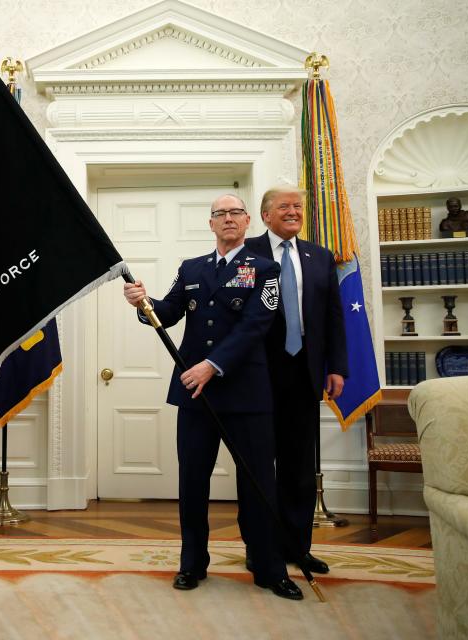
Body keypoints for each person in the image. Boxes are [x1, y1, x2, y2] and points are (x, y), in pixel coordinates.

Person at [123, 194, 302, 600]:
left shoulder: (265, 269)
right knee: (192, 481)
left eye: (235, 213)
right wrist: (142, 302)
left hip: (245, 392)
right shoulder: (191, 269)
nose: (228, 219)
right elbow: (167, 312)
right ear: (210, 224)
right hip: (195, 395)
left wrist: (212, 364)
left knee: (258, 483)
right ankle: (192, 563)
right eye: (219, 214)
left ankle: (268, 566)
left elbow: (256, 325)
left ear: (247, 221)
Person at [245, 185, 349, 574]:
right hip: (257, 372)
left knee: (299, 466)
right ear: (266, 214)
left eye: (298, 207)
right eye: (284, 206)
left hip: (305, 370)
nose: (293, 212)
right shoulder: (247, 253)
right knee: (258, 466)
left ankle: (297, 547)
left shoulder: (320, 257)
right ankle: (259, 548)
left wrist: (337, 366)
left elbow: (334, 317)